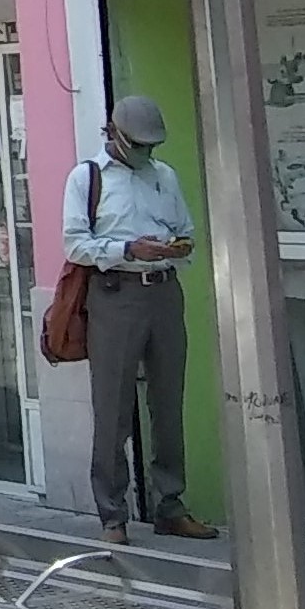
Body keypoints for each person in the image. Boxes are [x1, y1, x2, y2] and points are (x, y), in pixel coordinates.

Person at [62, 96, 217, 546]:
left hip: (164, 290)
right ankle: (113, 514)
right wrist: (128, 249)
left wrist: (176, 247)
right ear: (115, 134)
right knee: (113, 406)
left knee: (168, 402)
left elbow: (185, 229)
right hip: (116, 293)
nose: (147, 153)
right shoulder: (87, 177)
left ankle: (171, 504)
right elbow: (75, 244)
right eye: (140, 145)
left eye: (153, 146)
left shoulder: (163, 175)